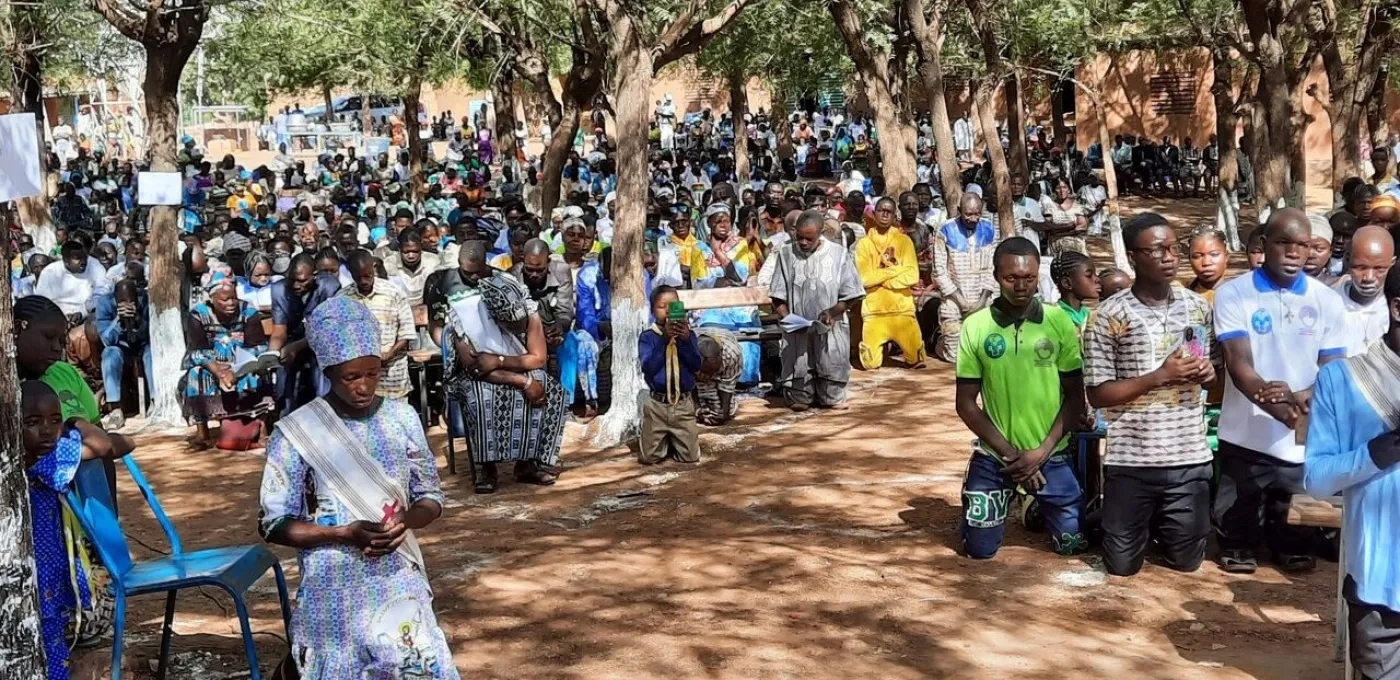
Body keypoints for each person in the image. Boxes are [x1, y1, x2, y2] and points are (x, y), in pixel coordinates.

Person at [258, 296, 458, 679]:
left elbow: (431, 496)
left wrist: (406, 520)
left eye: (372, 373)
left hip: (397, 571)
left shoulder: (402, 416)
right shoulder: (297, 433)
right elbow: (273, 523)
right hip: (330, 575)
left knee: (411, 659)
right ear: (328, 372)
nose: (363, 386)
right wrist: (341, 533)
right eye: (351, 377)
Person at [1213, 208, 1347, 573]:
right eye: (1283, 242)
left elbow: (1332, 366)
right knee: (1237, 519)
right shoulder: (1233, 294)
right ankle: (1238, 543)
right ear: (1264, 243)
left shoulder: (1327, 301)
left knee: (1293, 526)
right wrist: (1281, 407)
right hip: (1248, 432)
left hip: (1300, 433)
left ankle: (1289, 544)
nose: (1293, 252)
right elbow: (1238, 364)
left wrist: (1303, 397)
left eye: (1302, 245)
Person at [1083, 213, 1217, 577]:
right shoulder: (1108, 316)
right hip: (1132, 459)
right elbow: (1097, 394)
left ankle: (1159, 521)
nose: (1169, 257)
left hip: (1188, 455)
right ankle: (1108, 516)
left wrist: (1207, 373)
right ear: (1132, 256)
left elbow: (1210, 375)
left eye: (1174, 248)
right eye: (1157, 250)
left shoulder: (1198, 307)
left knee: (1187, 562)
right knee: (1122, 567)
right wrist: (1159, 376)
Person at [954, 237, 1087, 558]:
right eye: (1011, 278)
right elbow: (966, 404)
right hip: (997, 457)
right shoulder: (975, 326)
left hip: (1050, 452)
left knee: (1071, 546)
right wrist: (1014, 457)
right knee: (979, 551)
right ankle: (990, 493)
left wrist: (1039, 454)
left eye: (1029, 278)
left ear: (1038, 274)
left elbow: (1074, 398)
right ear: (997, 277)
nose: (1021, 286)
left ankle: (1035, 501)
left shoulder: (1060, 323)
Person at [1305, 264, 1400, 680]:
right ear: (1397, 308)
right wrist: (1377, 452)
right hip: (1382, 588)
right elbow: (1318, 479)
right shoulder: (1342, 379)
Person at [23, 381, 134, 680]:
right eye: (32, 423)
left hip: (51, 569)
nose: (47, 430)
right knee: (50, 637)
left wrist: (70, 425)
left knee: (52, 633)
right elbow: (109, 444)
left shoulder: (47, 453)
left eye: (55, 419)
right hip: (44, 573)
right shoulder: (45, 462)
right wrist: (77, 423)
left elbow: (119, 445)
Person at [439, 243, 566, 493]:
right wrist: (522, 381)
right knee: (482, 395)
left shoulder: (527, 309)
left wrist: (502, 363)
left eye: (518, 322)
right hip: (471, 374)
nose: (516, 326)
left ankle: (529, 463)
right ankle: (487, 468)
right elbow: (473, 367)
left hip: (501, 365)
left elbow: (537, 358)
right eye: (510, 322)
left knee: (551, 388)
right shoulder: (465, 312)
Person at [768, 211, 865, 411]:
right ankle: (799, 390)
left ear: (820, 234)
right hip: (798, 331)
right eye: (799, 237)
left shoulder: (839, 255)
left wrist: (832, 311)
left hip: (831, 328)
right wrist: (788, 318)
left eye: (809, 238)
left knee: (832, 398)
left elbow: (852, 294)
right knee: (800, 398)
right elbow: (777, 296)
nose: (803, 242)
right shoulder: (785, 254)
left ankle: (830, 390)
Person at [183, 267, 276, 450]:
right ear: (212, 299)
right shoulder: (198, 315)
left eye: (233, 297)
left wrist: (236, 370)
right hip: (213, 364)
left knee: (257, 374)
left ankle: (262, 430)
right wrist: (219, 371)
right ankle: (202, 434)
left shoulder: (248, 311)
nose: (231, 303)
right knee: (195, 374)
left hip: (243, 362)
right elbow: (197, 351)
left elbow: (257, 347)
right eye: (224, 299)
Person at [855, 197, 926, 369]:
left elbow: (912, 276)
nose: (885, 215)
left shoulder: (904, 241)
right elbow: (863, 279)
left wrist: (882, 281)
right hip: (874, 312)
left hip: (902, 310)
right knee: (870, 364)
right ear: (874, 213)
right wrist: (894, 271)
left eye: (889, 212)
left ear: (895, 215)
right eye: (881, 211)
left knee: (917, 359)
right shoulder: (863, 244)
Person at [269, 253, 342, 415]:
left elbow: (329, 328)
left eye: (301, 280)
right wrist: (271, 355)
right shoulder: (279, 290)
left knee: (323, 365)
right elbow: (279, 330)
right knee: (282, 366)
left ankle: (327, 415)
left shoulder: (330, 287)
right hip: (293, 340)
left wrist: (297, 347)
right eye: (292, 279)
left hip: (324, 341)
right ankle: (285, 417)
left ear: (314, 276)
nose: (295, 285)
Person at [638, 285, 702, 465]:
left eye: (673, 306)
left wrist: (685, 341)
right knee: (648, 458)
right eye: (662, 306)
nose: (668, 310)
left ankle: (676, 441)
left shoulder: (689, 336)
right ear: (652, 310)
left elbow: (696, 365)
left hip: (682, 404)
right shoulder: (648, 337)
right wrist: (664, 341)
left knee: (690, 457)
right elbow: (648, 367)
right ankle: (663, 442)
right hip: (657, 405)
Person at [339, 251, 416, 400]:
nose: (363, 281)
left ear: (373, 267)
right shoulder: (342, 298)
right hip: (358, 376)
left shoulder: (393, 293)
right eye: (358, 277)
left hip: (392, 375)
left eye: (367, 275)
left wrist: (389, 354)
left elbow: (406, 332)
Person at [932, 193, 1000, 362]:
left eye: (977, 213)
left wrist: (981, 301)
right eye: (968, 214)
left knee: (987, 351)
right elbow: (939, 271)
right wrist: (961, 301)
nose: (973, 218)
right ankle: (939, 340)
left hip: (983, 296)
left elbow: (992, 268)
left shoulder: (989, 229)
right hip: (954, 298)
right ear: (959, 210)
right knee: (955, 356)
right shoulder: (945, 230)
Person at [95, 279, 153, 429]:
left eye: (131, 300)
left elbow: (152, 334)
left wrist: (139, 320)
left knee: (151, 353)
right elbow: (106, 340)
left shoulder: (145, 299)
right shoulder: (104, 303)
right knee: (109, 354)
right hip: (120, 348)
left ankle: (155, 401)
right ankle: (115, 408)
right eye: (122, 301)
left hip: (141, 345)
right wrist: (119, 321)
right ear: (115, 298)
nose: (127, 303)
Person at [1334, 226, 1396, 357]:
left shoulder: (1395, 309)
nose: (1369, 278)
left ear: (1392, 264)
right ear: (1347, 260)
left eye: (1379, 269)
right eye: (1360, 267)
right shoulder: (1327, 301)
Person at [36, 240, 109, 321]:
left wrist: (82, 313)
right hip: (56, 317)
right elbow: (41, 302)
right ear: (66, 260)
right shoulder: (50, 272)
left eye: (85, 257)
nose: (83, 262)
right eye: (77, 258)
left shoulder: (96, 267)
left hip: (87, 316)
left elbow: (102, 295)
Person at [695, 327, 743, 425]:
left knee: (726, 409)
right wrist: (697, 410)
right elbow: (687, 384)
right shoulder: (687, 354)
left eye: (713, 370)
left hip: (722, 370)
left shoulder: (733, 355)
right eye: (708, 371)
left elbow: (727, 385)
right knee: (691, 409)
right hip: (696, 375)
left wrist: (724, 413)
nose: (711, 375)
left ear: (720, 355)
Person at [1051, 250, 1098, 332]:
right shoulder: (1052, 317)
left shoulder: (1091, 315)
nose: (1097, 279)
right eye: (1089, 275)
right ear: (1067, 283)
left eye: (1095, 275)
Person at [1187, 228, 1230, 304]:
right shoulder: (1181, 295)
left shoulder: (1241, 294)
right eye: (1197, 256)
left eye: (1214, 254)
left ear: (1226, 256)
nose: (1206, 263)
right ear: (1190, 259)